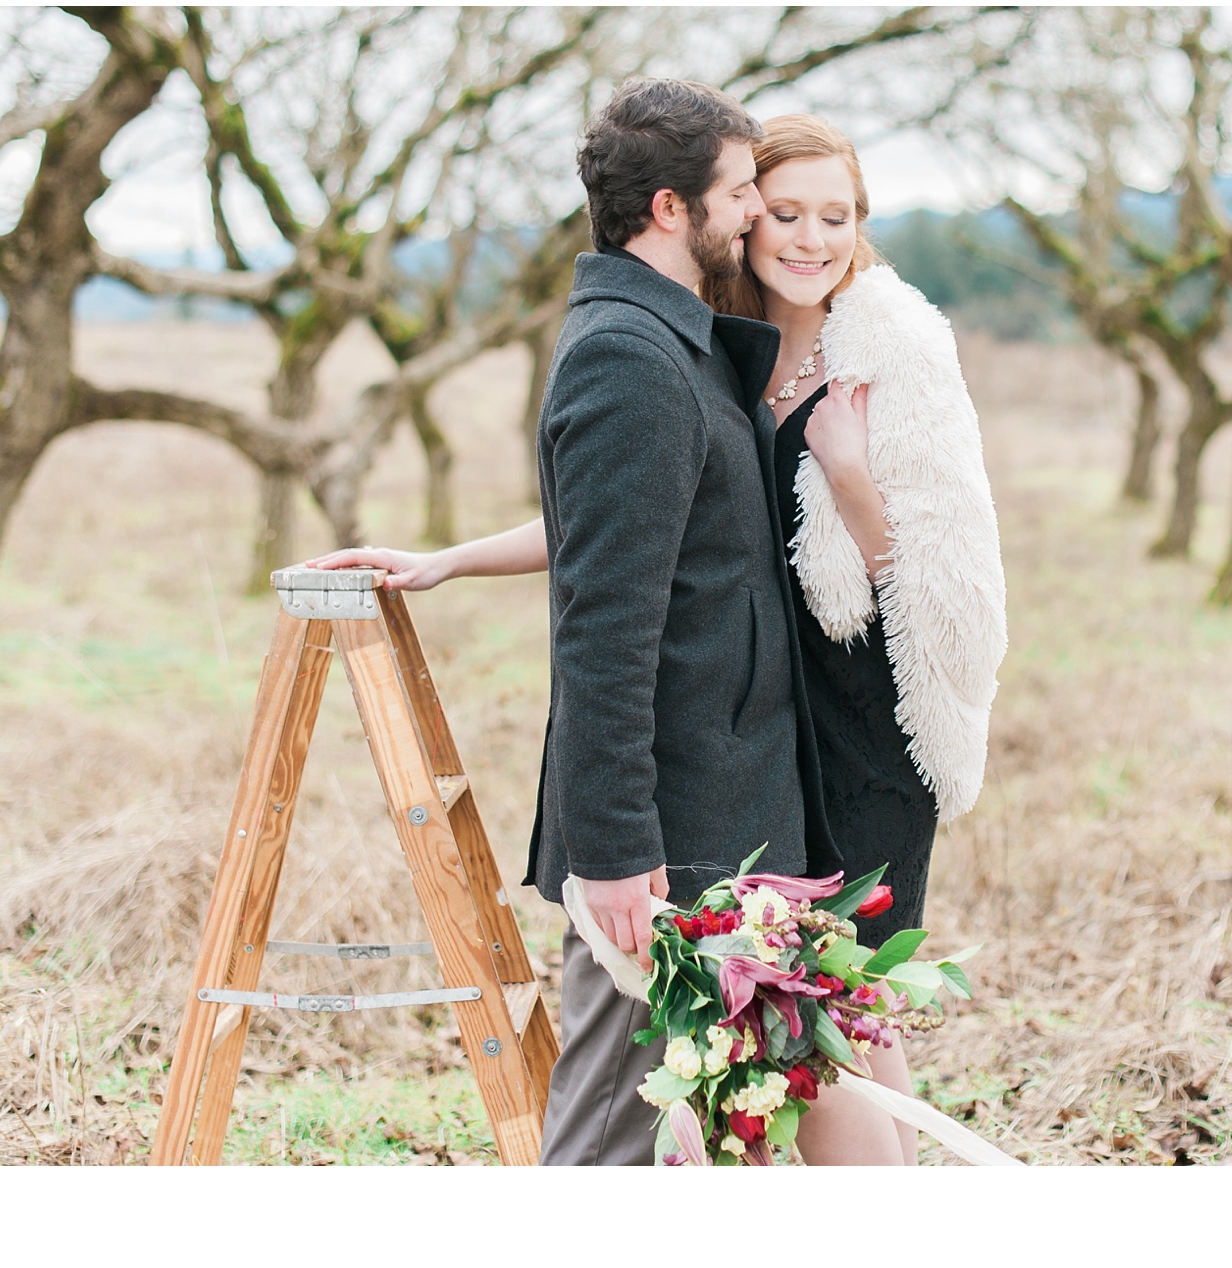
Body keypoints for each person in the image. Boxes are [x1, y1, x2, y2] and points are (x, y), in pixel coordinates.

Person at [310, 113, 1006, 1166]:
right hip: (760, 746)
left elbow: (948, 589)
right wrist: (448, 558)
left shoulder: (887, 350)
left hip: (858, 726)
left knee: (836, 1022)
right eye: (774, 208)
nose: (809, 235)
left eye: (840, 215)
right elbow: (633, 528)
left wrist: (851, 475)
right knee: (818, 1028)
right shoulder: (713, 341)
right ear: (718, 215)